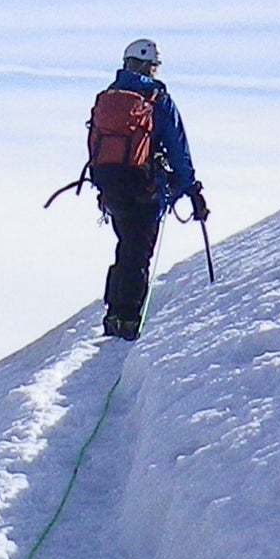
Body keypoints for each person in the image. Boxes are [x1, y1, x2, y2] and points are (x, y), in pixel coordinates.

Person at [85, 37, 205, 341]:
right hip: (145, 188)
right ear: (151, 66)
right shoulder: (156, 99)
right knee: (139, 253)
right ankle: (126, 321)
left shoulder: (108, 96)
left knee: (126, 247)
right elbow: (178, 149)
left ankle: (114, 314)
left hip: (111, 187)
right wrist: (191, 190)